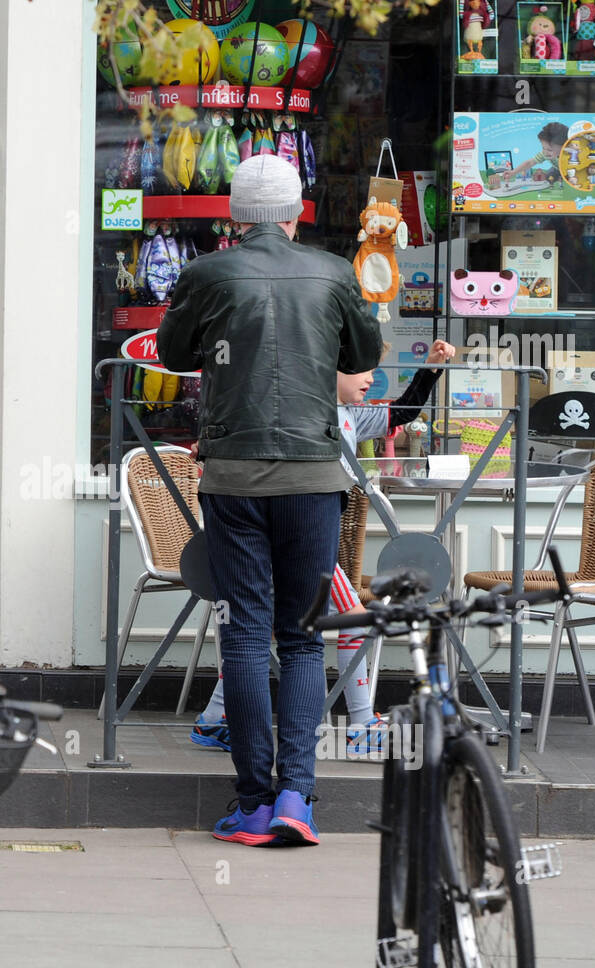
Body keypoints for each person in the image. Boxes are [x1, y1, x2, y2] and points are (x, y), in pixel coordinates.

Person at [157, 153, 383, 847]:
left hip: (233, 479)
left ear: (234, 215)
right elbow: (364, 352)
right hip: (315, 480)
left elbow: (169, 352)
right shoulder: (334, 273)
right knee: (304, 639)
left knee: (247, 636)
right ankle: (296, 799)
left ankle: (252, 802)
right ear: (294, 214)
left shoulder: (208, 274)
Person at [190, 342, 458, 760]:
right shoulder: (301, 414)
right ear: (325, 370)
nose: (371, 378)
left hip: (306, 540)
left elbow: (404, 413)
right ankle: (361, 724)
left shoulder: (355, 416)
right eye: (361, 370)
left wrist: (431, 369)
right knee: (350, 620)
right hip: (285, 537)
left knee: (263, 633)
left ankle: (213, 718)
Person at [503, 121, 569, 183]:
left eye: (550, 150)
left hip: (568, 168)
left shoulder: (570, 154)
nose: (545, 152)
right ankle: (558, 178)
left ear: (564, 146)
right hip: (557, 168)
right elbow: (530, 163)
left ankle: (562, 177)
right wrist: (513, 172)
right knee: (549, 176)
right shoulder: (544, 154)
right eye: (543, 148)